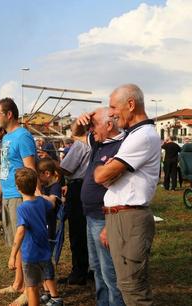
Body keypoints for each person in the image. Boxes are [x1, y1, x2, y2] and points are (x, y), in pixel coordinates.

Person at [94, 84, 160, 306]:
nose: (110, 112)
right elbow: (110, 178)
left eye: (113, 106)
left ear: (131, 104)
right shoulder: (134, 135)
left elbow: (101, 175)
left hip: (129, 220)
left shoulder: (142, 136)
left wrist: (105, 170)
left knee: (133, 289)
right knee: (126, 284)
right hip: (121, 218)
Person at [73, 107, 126, 306]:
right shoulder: (99, 142)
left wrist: (108, 225)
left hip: (105, 217)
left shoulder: (123, 147)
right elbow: (76, 134)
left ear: (109, 125)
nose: (91, 130)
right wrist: (81, 121)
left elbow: (123, 189)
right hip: (91, 216)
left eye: (94, 125)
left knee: (110, 272)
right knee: (97, 268)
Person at [0, 97, 37, 306]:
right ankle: (18, 283)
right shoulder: (7, 138)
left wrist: (33, 200)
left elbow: (30, 170)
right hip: (8, 195)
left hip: (20, 196)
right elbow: (5, 169)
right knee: (15, 244)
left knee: (25, 245)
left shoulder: (23, 136)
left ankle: (29, 291)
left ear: (9, 114)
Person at [8, 167, 63, 306]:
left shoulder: (22, 208)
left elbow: (20, 232)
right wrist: (49, 196)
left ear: (18, 188)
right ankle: (55, 298)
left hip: (30, 254)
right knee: (47, 275)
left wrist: (13, 255)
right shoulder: (41, 201)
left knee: (31, 288)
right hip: (44, 251)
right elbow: (51, 203)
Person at [59, 137, 91, 285]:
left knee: (77, 231)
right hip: (87, 186)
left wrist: (49, 164)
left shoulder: (82, 143)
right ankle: (90, 269)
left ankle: (79, 271)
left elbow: (65, 168)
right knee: (86, 231)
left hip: (78, 187)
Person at [36, 158, 63, 305]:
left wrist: (37, 194)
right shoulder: (47, 186)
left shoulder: (55, 187)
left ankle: (55, 296)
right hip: (44, 228)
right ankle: (47, 291)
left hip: (50, 230)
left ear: (46, 173)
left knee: (46, 261)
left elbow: (52, 203)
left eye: (39, 176)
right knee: (41, 261)